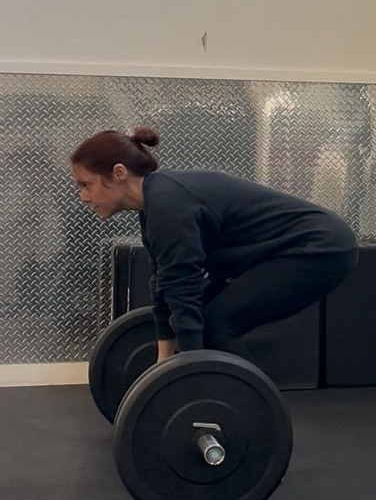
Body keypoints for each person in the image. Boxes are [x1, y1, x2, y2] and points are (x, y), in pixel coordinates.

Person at [71, 128, 358, 362]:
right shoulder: (153, 206)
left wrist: (189, 375)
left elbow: (183, 293)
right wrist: (161, 368)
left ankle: (250, 416)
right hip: (290, 249)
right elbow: (165, 288)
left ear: (119, 173)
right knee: (204, 317)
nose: (83, 197)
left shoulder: (168, 207)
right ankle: (222, 396)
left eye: (86, 185)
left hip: (318, 248)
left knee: (219, 323)